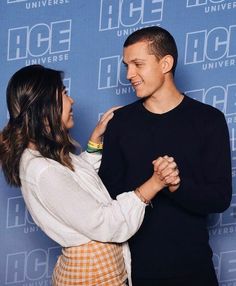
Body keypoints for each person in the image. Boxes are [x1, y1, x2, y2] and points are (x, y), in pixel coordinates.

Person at [0, 64, 180, 286]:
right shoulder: (42, 170)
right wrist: (153, 184)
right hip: (94, 277)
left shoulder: (40, 159)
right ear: (44, 105)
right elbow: (107, 223)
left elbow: (75, 186)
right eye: (64, 94)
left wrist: (95, 141)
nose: (72, 101)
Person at [98, 26, 232, 286]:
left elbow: (220, 198)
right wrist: (149, 185)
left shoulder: (208, 120)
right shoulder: (120, 124)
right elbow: (106, 200)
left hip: (195, 270)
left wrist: (176, 186)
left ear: (165, 63)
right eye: (126, 65)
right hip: (137, 272)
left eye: (137, 64)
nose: (129, 74)